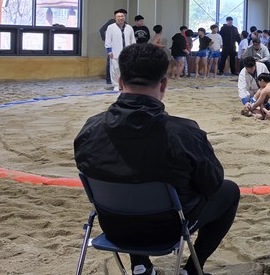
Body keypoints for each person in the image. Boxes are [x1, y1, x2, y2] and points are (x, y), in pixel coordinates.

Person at [74, 43, 239, 275]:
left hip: (113, 226)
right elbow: (212, 183)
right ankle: (193, 270)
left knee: (127, 180)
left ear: (120, 82)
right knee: (229, 191)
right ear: (163, 84)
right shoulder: (184, 134)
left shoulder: (89, 131)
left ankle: (140, 265)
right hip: (169, 229)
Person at [105, 9, 136, 91]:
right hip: (115, 52)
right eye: (118, 16)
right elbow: (108, 39)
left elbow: (132, 40)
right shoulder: (111, 27)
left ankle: (126, 84)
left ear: (124, 17)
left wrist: (133, 50)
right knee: (115, 68)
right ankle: (116, 85)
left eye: (122, 16)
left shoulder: (129, 28)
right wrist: (109, 50)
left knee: (127, 69)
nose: (120, 18)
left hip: (128, 52)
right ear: (115, 18)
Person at [99, 15, 119, 84]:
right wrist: (106, 39)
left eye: (124, 16)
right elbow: (101, 30)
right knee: (110, 61)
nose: (122, 17)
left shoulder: (125, 24)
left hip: (120, 45)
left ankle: (117, 79)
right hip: (111, 45)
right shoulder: (111, 22)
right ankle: (109, 79)